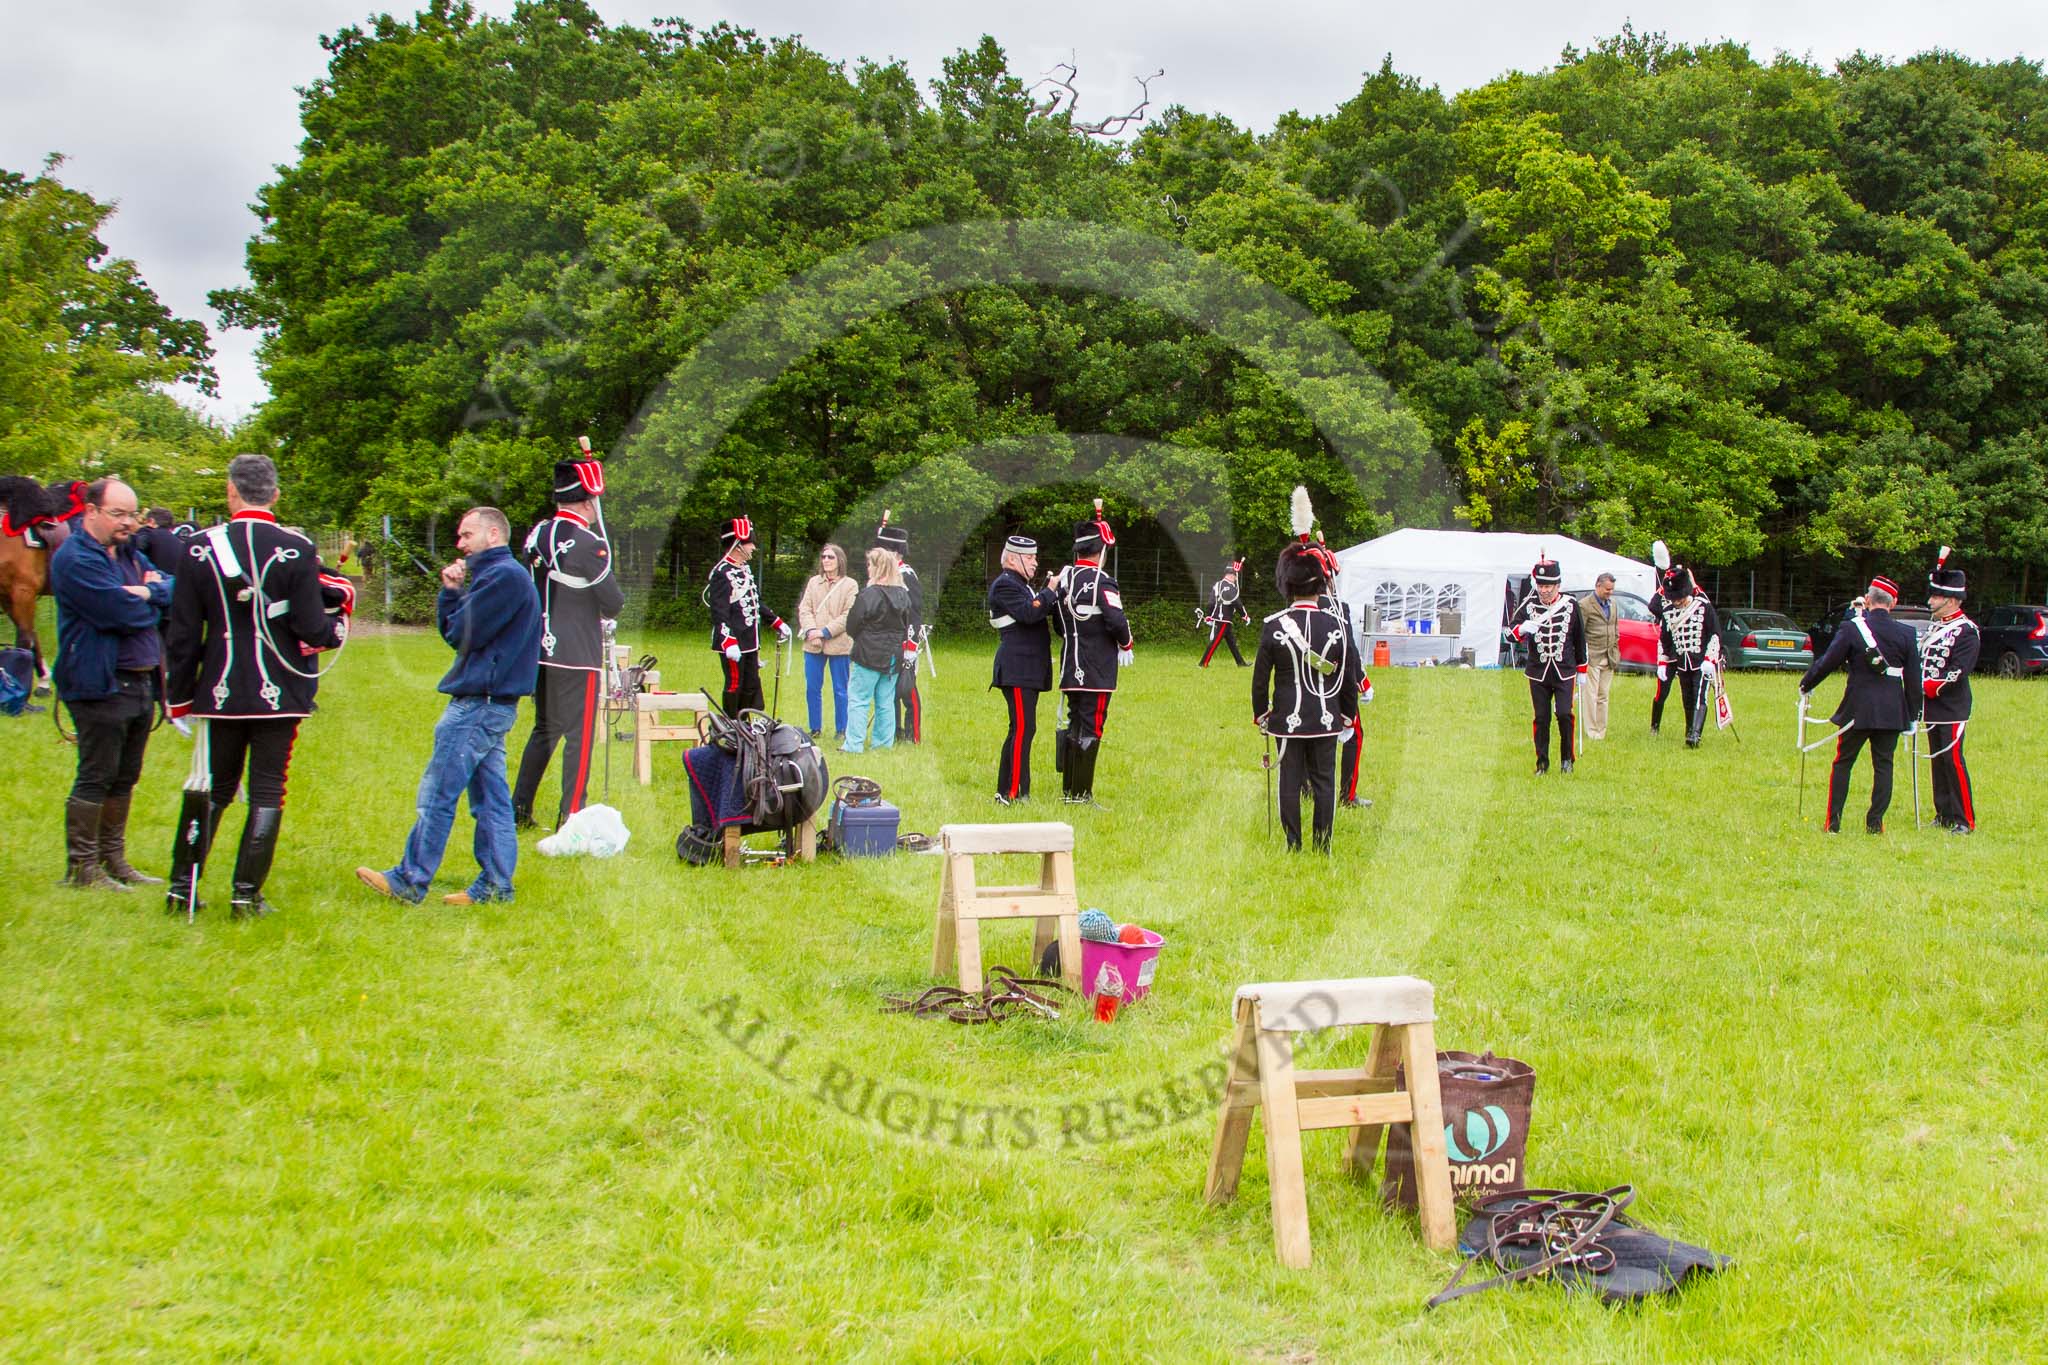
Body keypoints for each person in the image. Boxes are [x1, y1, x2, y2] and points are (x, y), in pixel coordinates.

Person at [164, 455, 352, 917]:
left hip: (219, 688)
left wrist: (179, 698)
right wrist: (336, 631)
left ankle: (180, 890)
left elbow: (185, 634)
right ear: (275, 494)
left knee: (212, 787)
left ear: (230, 491)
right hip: (280, 688)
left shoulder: (197, 549)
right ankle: (245, 895)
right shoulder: (296, 547)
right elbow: (311, 626)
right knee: (268, 789)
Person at [356, 507, 542, 904]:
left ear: (494, 534)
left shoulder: (503, 577)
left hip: (478, 705)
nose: (460, 544)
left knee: (438, 793)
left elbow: (460, 633)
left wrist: (453, 595)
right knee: (490, 801)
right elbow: (458, 631)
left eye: (466, 535)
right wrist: (453, 594)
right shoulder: (498, 577)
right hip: (491, 703)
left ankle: (410, 879)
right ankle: (495, 885)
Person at [48, 478, 172, 890]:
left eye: (132, 514)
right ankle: (82, 868)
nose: (127, 522)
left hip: (140, 680)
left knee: (126, 775)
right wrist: (148, 597)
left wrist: (147, 592)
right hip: (99, 681)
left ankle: (113, 860)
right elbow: (118, 613)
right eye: (117, 514)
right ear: (91, 512)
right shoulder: (75, 559)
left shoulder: (132, 551)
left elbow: (173, 590)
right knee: (97, 773)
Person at [510, 447, 625, 830]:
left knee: (544, 729)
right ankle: (571, 815)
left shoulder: (537, 534)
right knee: (579, 736)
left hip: (541, 649)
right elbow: (612, 603)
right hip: (578, 653)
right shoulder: (589, 543)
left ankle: (519, 809)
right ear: (587, 501)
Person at [1252, 488, 1362, 852]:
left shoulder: (1273, 625)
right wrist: (1348, 713)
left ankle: (1293, 844)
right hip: (1328, 717)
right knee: (1325, 781)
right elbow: (1346, 675)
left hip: (1287, 717)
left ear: (1287, 585)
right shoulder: (1337, 625)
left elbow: (1260, 678)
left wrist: (1260, 712)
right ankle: (1323, 845)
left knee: (1289, 780)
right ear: (1319, 584)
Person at [1798, 575, 1922, 834]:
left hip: (1858, 709)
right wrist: (1912, 715)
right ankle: (1875, 824)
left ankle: (1833, 823)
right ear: (1894, 602)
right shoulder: (1907, 634)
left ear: (1867, 599)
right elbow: (1913, 680)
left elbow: (1828, 661)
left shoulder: (1852, 628)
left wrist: (1806, 683)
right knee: (1884, 766)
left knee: (1843, 763)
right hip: (1891, 711)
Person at [1050, 506, 1133, 805]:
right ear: (1100, 551)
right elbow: (1116, 620)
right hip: (1097, 668)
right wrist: (1126, 643)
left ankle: (1070, 791)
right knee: (1092, 725)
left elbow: (1059, 625)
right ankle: (1081, 795)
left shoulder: (1065, 581)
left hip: (1071, 665)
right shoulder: (1103, 581)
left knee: (1076, 723)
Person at [987, 534, 1058, 804]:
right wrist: (1049, 590)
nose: (1035, 562)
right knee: (1022, 729)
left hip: (1027, 669)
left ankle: (1007, 790)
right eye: (1030, 557)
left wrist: (1051, 595)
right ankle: (1014, 792)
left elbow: (1037, 608)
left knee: (1021, 729)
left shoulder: (1021, 585)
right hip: (1017, 667)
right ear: (1013, 558)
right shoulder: (1006, 584)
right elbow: (1030, 613)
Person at [1508, 554, 1587, 774]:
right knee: (1541, 718)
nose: (1544, 591)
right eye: (1541, 586)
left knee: (1564, 714)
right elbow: (1508, 633)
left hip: (1564, 670)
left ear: (1558, 585)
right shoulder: (1529, 605)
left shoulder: (1570, 604)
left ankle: (1567, 760)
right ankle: (1542, 762)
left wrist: (1582, 669)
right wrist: (1522, 629)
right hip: (1538, 672)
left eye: (1549, 587)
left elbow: (1580, 637)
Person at [705, 514, 790, 717]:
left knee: (751, 684)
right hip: (733, 641)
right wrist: (728, 641)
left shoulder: (744, 570)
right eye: (749, 542)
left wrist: (777, 622)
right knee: (735, 684)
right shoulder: (721, 573)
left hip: (750, 641)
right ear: (738, 544)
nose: (753, 547)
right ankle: (732, 725)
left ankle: (746, 723)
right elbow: (719, 612)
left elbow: (756, 602)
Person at [1921, 548, 1978, 833]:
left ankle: (1964, 819)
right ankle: (1943, 812)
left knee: (1953, 760)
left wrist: (1933, 686)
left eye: (1936, 597)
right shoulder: (1935, 628)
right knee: (1937, 760)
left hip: (1951, 705)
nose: (1931, 601)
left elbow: (1959, 670)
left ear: (1952, 600)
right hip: (1930, 706)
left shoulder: (1967, 630)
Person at [842, 545, 914, 753]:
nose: (867, 568)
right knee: (886, 701)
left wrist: (863, 638)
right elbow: (907, 625)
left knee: (859, 699)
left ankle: (853, 745)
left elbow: (852, 625)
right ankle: (882, 744)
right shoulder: (903, 594)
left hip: (868, 654)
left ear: (876, 567)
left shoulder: (869, 594)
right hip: (893, 655)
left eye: (869, 564)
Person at [1656, 565, 1723, 749]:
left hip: (1701, 661)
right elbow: (1664, 638)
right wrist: (1662, 661)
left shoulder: (1702, 607)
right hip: (1682, 663)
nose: (1675, 601)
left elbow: (1715, 634)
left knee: (1700, 696)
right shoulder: (1668, 612)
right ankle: (1689, 730)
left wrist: (1710, 658)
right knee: (1687, 698)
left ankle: (1695, 734)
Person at [796, 543, 855, 741]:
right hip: (813, 644)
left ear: (840, 560)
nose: (826, 561)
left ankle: (842, 729)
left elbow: (849, 615)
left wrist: (825, 631)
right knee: (812, 687)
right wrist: (812, 630)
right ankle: (815, 728)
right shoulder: (814, 582)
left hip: (839, 644)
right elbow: (805, 609)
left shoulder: (850, 585)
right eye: (823, 557)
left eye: (830, 557)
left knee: (841, 689)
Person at [877, 517, 926, 744]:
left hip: (903, 640)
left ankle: (912, 734)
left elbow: (914, 613)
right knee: (888, 688)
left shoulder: (906, 574)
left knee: (907, 689)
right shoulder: (882, 575)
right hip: (884, 640)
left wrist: (910, 646)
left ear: (895, 552)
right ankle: (894, 732)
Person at [1578, 573, 1620, 741]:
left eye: (1612, 590)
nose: (1610, 592)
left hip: (1609, 656)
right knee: (1591, 695)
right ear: (1598, 586)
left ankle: (1601, 730)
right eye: (1607, 589)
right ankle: (1592, 731)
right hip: (1592, 656)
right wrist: (1582, 657)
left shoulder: (1614, 604)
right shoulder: (1585, 605)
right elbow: (1580, 633)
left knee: (1603, 696)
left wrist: (1616, 649)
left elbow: (1616, 627)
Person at [1200, 557, 1251, 667]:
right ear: (1231, 575)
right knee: (1215, 642)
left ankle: (1240, 662)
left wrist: (1209, 615)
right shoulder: (1230, 587)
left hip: (1220, 618)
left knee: (1232, 642)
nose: (1236, 578)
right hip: (1223, 618)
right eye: (1235, 575)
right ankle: (1203, 663)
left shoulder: (1217, 585)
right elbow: (1237, 602)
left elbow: (1210, 603)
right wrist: (1245, 615)